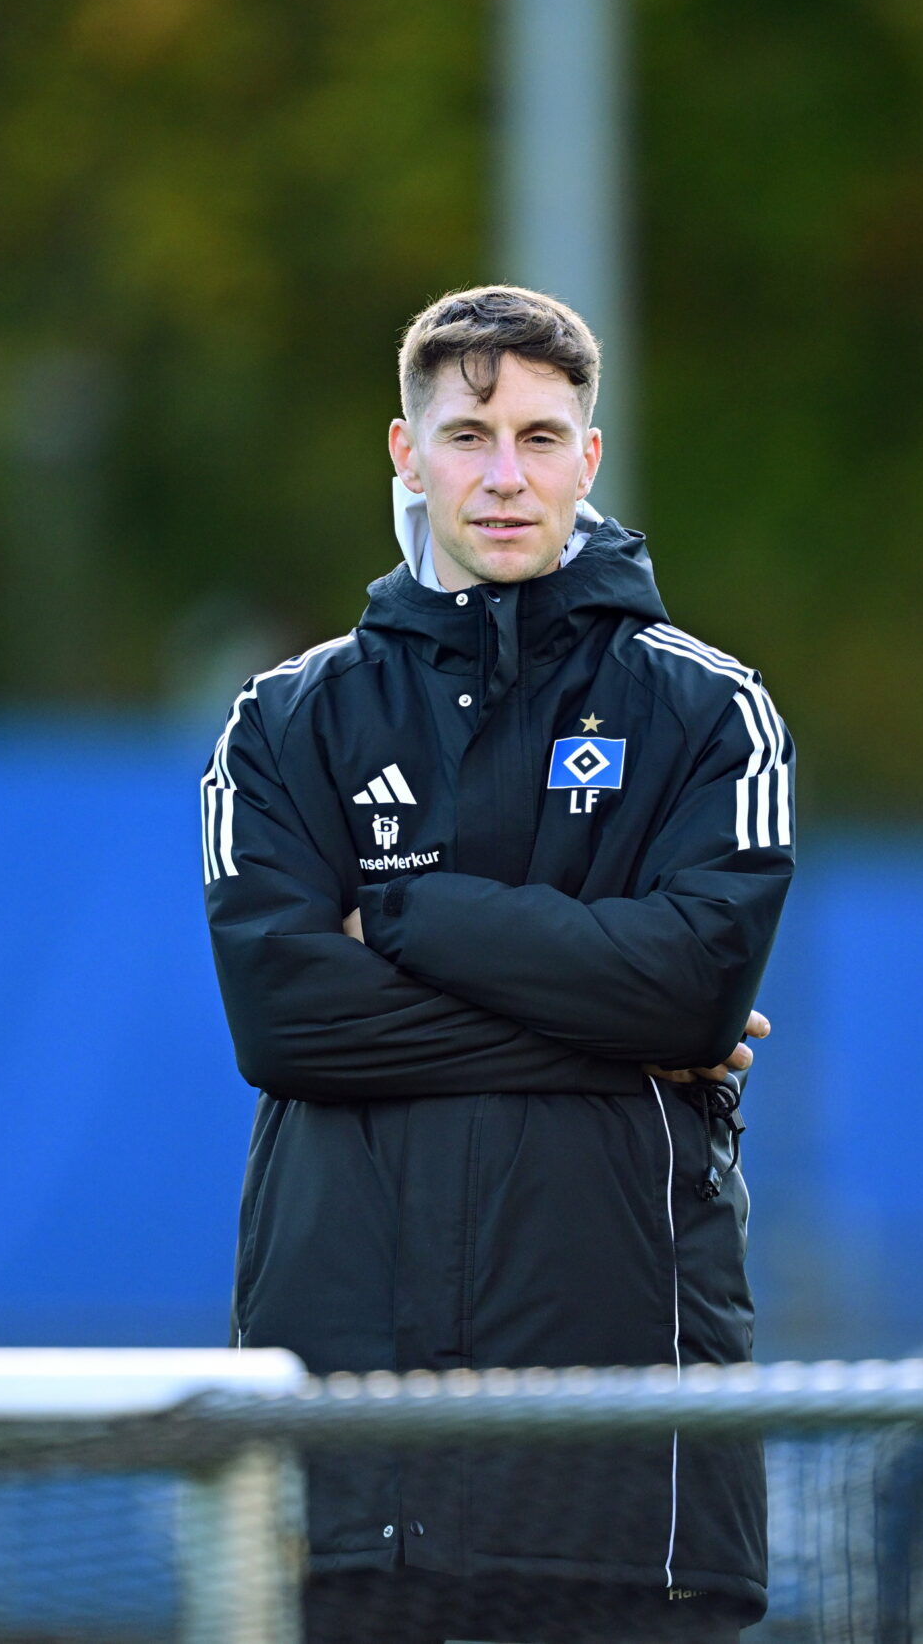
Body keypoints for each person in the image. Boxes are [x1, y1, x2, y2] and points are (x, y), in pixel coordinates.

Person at [202, 285, 792, 1643]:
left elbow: (695, 986)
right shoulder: (286, 721)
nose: (506, 474)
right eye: (469, 435)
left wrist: (406, 922)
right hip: (356, 1455)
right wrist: (610, 1027)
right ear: (406, 456)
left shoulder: (708, 708)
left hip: (623, 1459)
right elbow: (287, 1024)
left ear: (591, 458)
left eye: (541, 436)